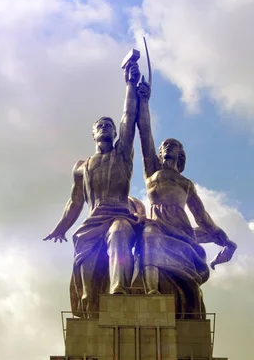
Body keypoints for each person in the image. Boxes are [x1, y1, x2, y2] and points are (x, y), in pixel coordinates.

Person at [43, 61, 146, 318]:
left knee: (120, 233)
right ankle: (89, 297)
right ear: (92, 134)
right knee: (84, 249)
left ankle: (118, 289)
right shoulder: (82, 166)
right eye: (100, 125)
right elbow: (75, 202)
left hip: (120, 212)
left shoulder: (122, 154)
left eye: (109, 126)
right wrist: (61, 228)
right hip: (93, 217)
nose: (105, 127)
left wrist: (129, 85)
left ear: (114, 133)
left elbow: (128, 117)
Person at [135, 81, 237, 319]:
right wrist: (144, 102)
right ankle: (150, 291)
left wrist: (223, 238)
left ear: (180, 155)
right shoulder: (152, 172)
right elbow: (145, 133)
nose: (167, 147)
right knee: (149, 235)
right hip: (157, 224)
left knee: (188, 279)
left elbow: (201, 217)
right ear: (159, 154)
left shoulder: (186, 184)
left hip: (181, 231)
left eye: (173, 145)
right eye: (164, 145)